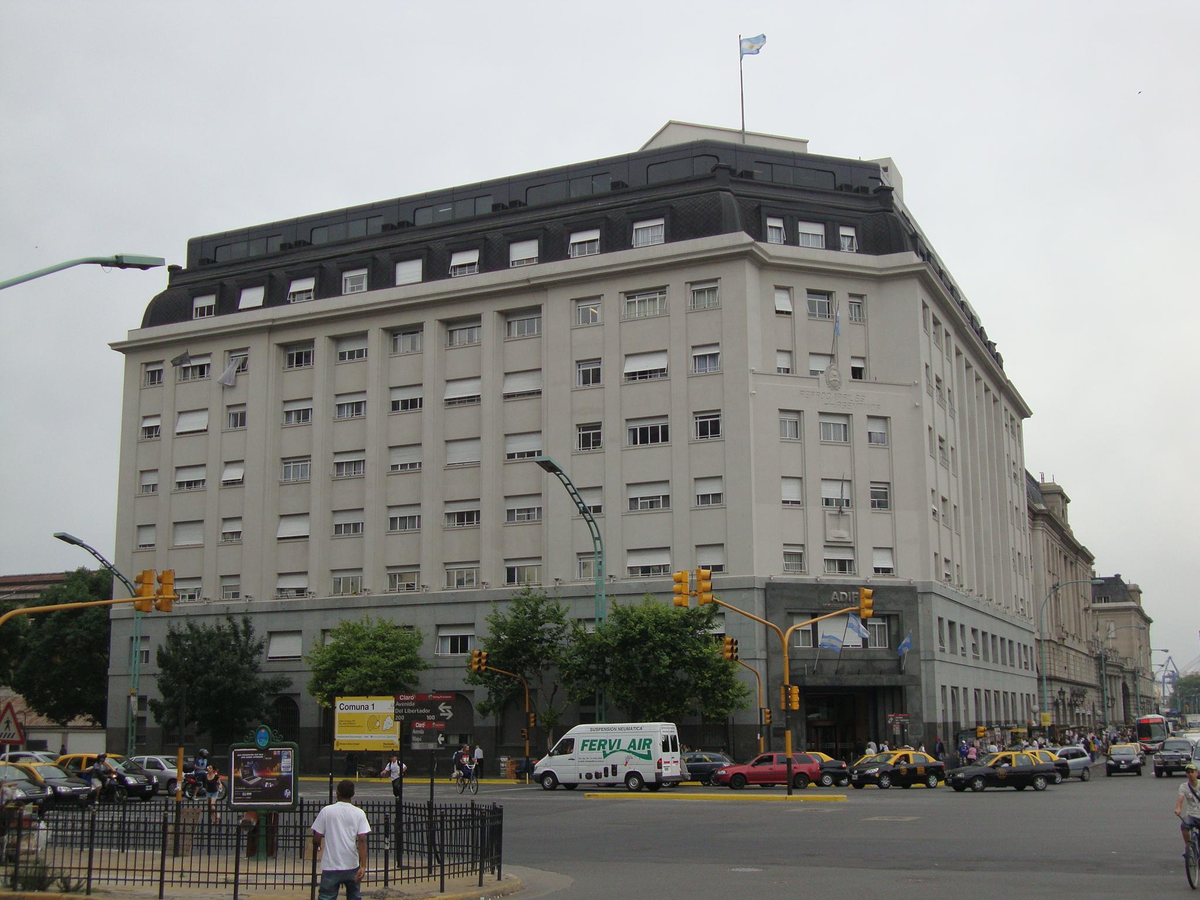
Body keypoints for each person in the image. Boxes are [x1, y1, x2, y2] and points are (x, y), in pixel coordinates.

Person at [312, 780, 370, 900]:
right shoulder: (359, 813)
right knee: (354, 895)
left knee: (326, 896)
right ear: (353, 793)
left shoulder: (327, 811)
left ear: (337, 793)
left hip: (331, 864)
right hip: (351, 864)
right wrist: (363, 866)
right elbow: (362, 840)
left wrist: (317, 846)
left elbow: (317, 837)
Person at [1176, 762, 1200, 856]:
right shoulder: (1183, 786)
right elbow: (1180, 800)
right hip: (1191, 814)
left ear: (1197, 773)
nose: (1190, 774)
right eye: (1188, 772)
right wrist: (1178, 809)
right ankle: (1188, 848)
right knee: (1184, 827)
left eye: (1192, 772)